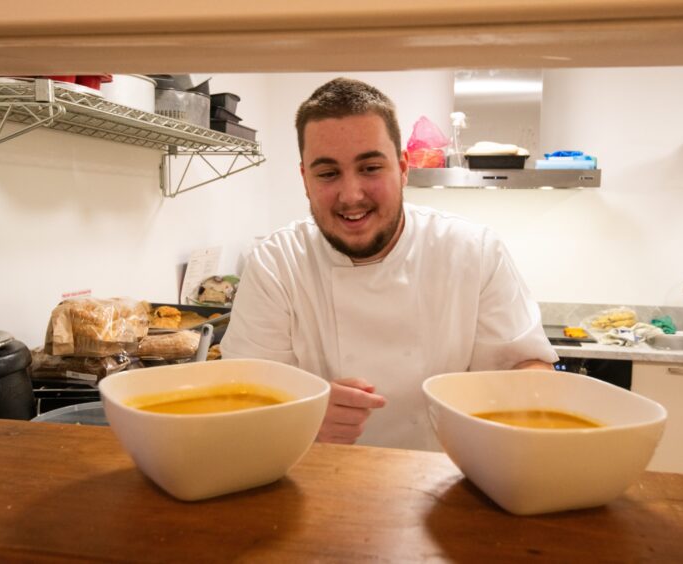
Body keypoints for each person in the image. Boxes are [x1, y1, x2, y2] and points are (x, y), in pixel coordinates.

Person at [220, 77, 557, 451]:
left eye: (370, 168)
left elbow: (528, 370)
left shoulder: (472, 251)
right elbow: (242, 398)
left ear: (403, 168)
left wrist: (516, 408)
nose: (351, 195)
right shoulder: (276, 263)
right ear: (305, 179)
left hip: (448, 481)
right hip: (317, 488)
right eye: (328, 173)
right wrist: (297, 417)